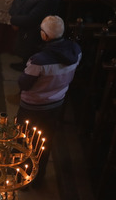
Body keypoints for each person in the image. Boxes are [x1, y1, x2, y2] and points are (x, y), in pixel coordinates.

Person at [17, 15, 81, 181]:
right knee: (44, 142)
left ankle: (20, 178)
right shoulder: (76, 50)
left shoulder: (39, 61)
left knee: (23, 141)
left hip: (32, 106)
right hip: (56, 104)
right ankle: (38, 177)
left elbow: (23, 84)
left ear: (44, 35)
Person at [9, 0, 69, 70]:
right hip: (27, 21)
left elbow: (33, 19)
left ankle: (26, 66)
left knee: (29, 50)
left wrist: (14, 19)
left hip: (34, 30)